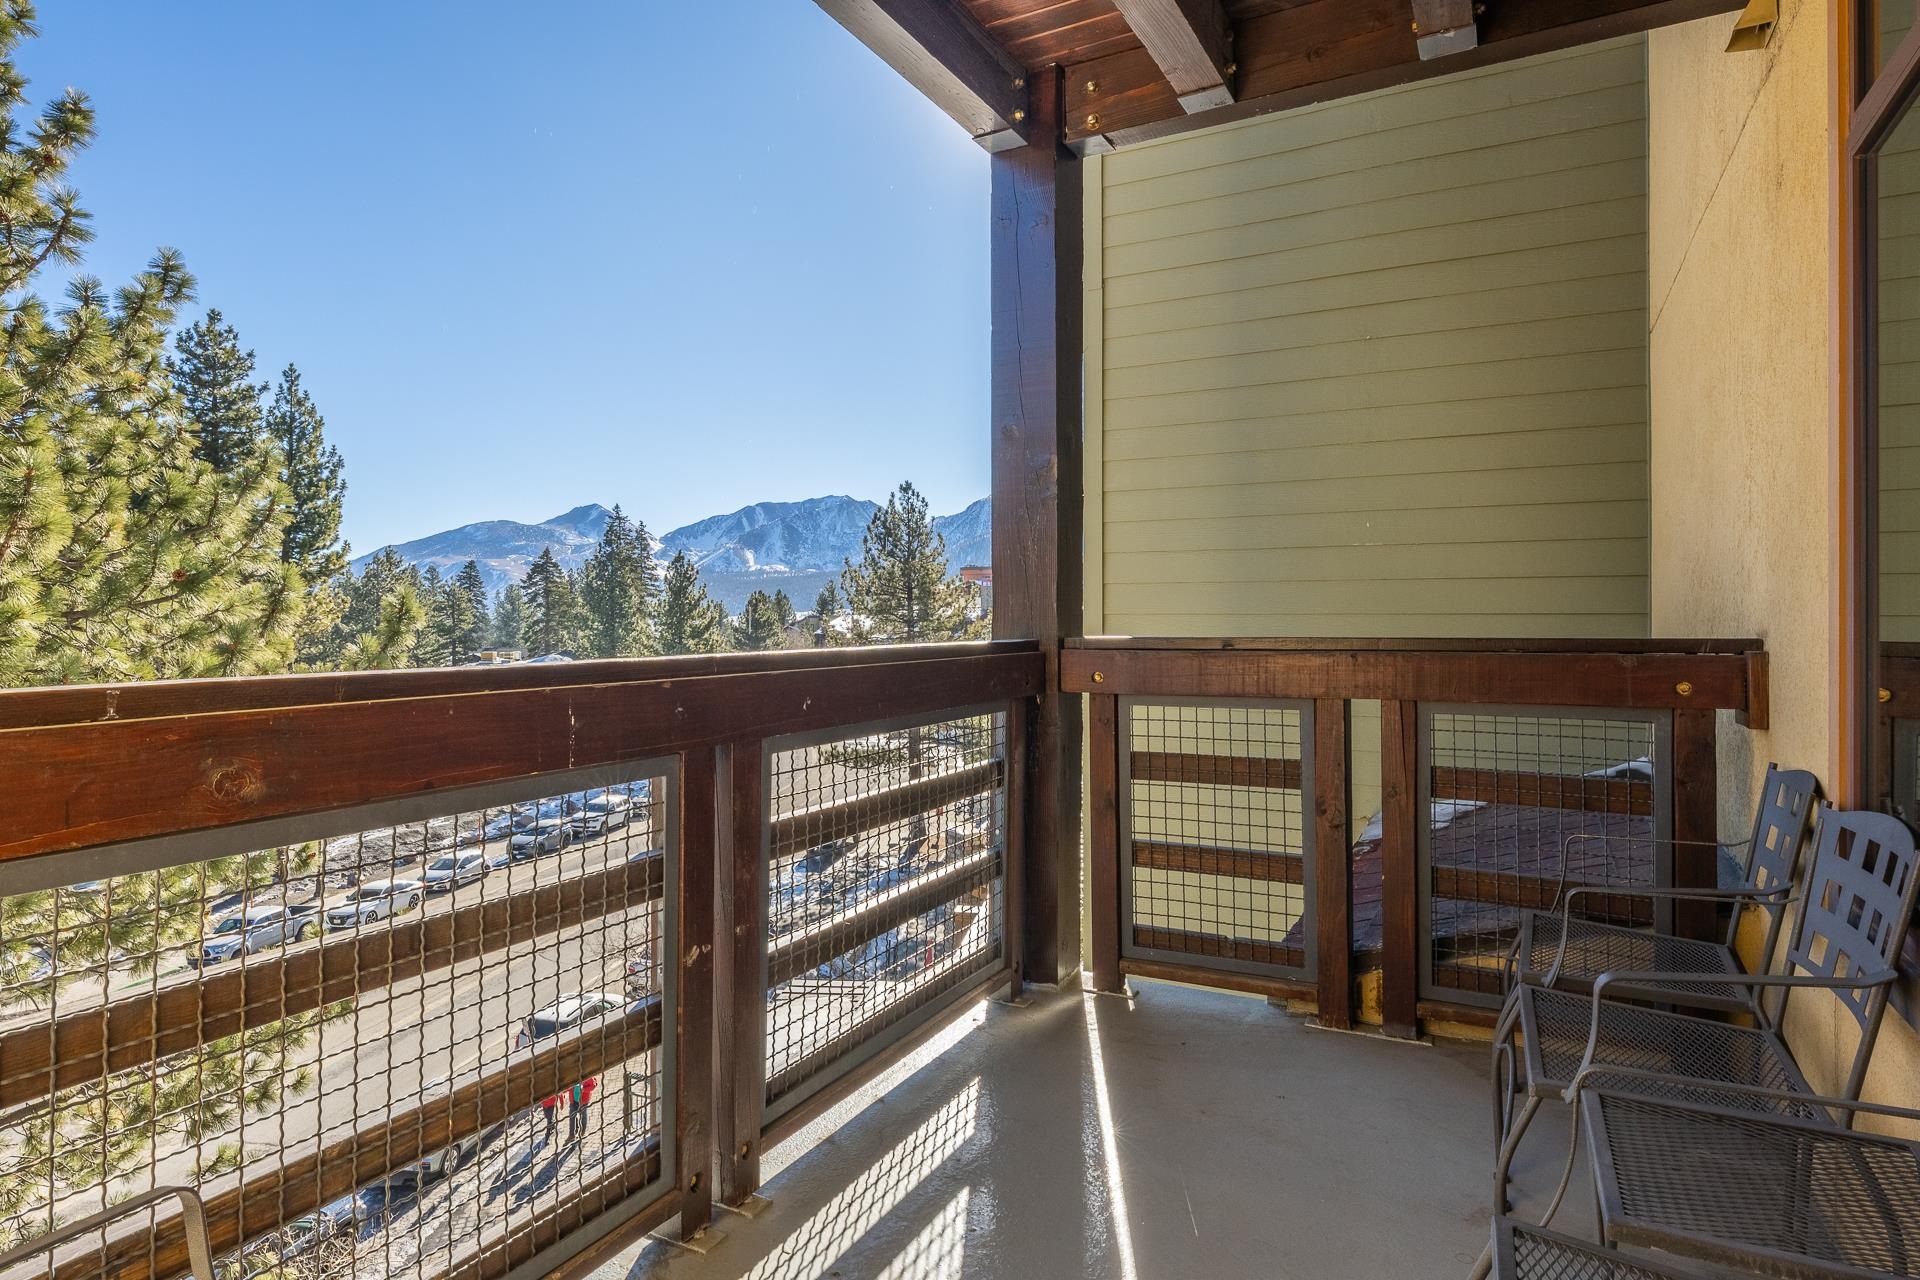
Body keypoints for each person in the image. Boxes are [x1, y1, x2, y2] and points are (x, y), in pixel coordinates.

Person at [567, 1076, 598, 1143]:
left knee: (583, 1116)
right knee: (572, 1117)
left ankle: (583, 1131)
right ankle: (572, 1134)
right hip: (573, 1101)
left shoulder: (587, 1074)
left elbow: (593, 1085)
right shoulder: (571, 1074)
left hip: (583, 1101)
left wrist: (583, 1089)